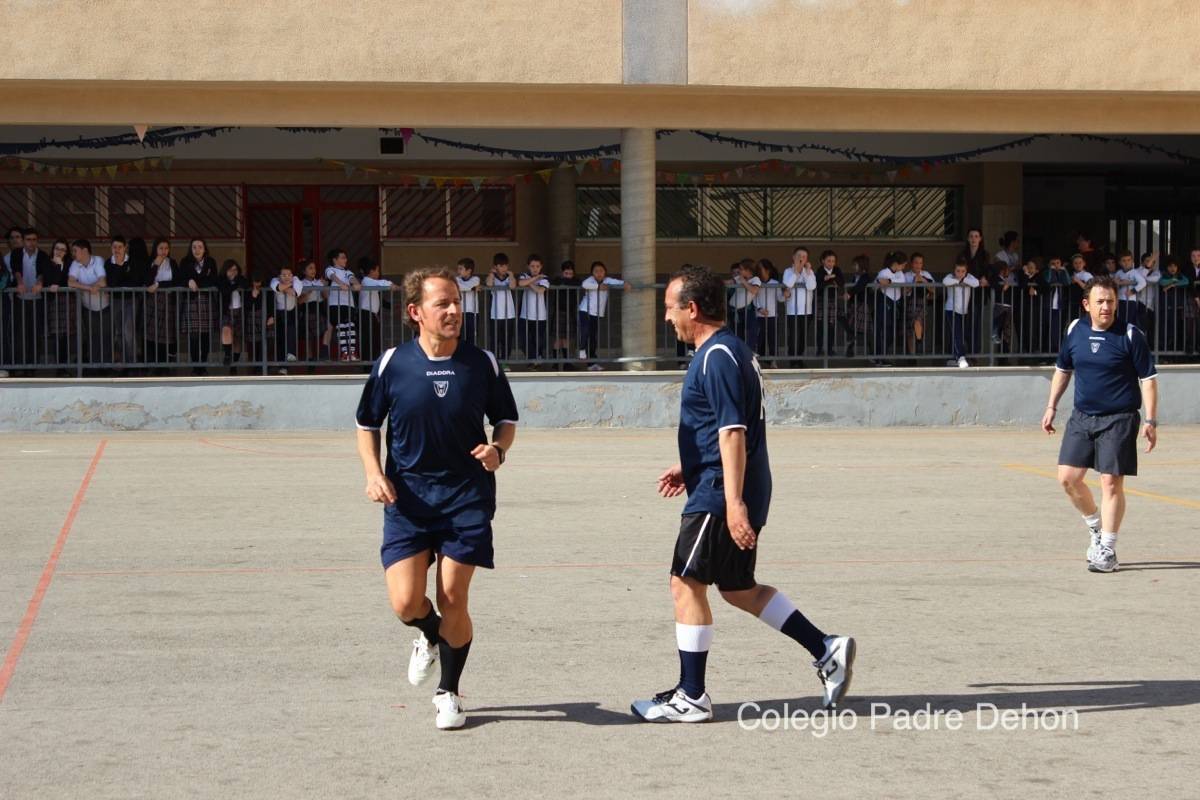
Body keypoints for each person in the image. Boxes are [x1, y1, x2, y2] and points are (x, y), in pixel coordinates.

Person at [631, 265, 855, 723]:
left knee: (685, 582)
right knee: (737, 588)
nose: (667, 318)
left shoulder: (714, 356)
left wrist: (732, 503)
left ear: (692, 309)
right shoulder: (731, 352)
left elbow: (733, 432)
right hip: (723, 480)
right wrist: (688, 462)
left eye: (670, 309)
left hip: (720, 491)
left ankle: (691, 696)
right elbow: (727, 426)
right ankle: (825, 647)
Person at [355, 265, 518, 730]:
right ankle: (427, 636)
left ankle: (449, 692)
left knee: (452, 596)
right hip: (408, 500)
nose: (454, 310)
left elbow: (506, 420)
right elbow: (367, 427)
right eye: (442, 303)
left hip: (465, 497)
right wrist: (372, 473)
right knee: (406, 603)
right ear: (415, 312)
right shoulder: (392, 363)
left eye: (457, 302)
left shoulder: (481, 362)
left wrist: (498, 449)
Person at [1042, 274, 1158, 573]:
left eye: (1111, 301)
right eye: (1100, 302)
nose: (1106, 307)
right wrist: (1051, 406)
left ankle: (1107, 548)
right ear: (1086, 304)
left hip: (1119, 418)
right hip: (1082, 416)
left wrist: (1150, 419)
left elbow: (1148, 380)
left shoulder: (1130, 335)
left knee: (1110, 481)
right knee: (1067, 478)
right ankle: (1095, 528)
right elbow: (1062, 370)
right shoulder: (1074, 330)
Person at [8, 228, 52, 374]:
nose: (31, 243)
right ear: (24, 241)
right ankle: (20, 366)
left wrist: (39, 283)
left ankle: (32, 368)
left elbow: (42, 273)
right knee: (20, 334)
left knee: (35, 334)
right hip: (20, 300)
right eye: (28, 239)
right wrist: (20, 283)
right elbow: (16, 271)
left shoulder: (43, 255)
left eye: (34, 239)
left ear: (37, 241)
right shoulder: (16, 253)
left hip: (37, 300)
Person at [67, 240, 112, 369]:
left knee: (106, 336)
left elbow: (102, 281)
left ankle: (106, 366)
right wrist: (89, 288)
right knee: (92, 336)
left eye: (75, 250)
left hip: (105, 306)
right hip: (88, 307)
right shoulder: (75, 264)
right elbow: (70, 282)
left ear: (85, 250)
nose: (73, 254)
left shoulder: (98, 260)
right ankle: (94, 366)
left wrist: (95, 286)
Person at [180, 238, 219, 374]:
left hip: (206, 302)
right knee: (194, 336)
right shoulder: (185, 262)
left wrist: (196, 283)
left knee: (206, 336)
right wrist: (189, 281)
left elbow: (213, 280)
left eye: (200, 247)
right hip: (191, 302)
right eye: (194, 247)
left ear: (204, 249)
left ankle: (203, 365)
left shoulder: (211, 262)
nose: (197, 250)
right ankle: (196, 366)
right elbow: (181, 278)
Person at [578, 260, 625, 370]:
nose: (599, 273)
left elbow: (616, 282)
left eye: (601, 271)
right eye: (596, 271)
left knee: (593, 338)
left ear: (605, 272)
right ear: (592, 273)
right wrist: (599, 287)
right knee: (585, 331)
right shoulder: (590, 280)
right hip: (585, 310)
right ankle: (582, 349)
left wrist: (624, 284)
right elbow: (584, 284)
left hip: (595, 313)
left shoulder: (607, 280)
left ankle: (592, 363)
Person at [106, 235, 143, 374]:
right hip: (115, 301)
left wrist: (122, 270)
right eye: (114, 247)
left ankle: (132, 364)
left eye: (120, 247)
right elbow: (112, 283)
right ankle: (121, 364)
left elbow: (134, 281)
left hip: (130, 300)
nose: (117, 250)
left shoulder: (133, 262)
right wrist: (120, 267)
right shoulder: (109, 263)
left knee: (129, 331)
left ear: (125, 248)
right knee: (118, 332)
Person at [42, 239, 75, 371]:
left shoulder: (69, 264)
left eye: (62, 250)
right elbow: (50, 281)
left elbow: (66, 282)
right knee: (56, 335)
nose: (59, 252)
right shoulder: (47, 263)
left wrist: (61, 266)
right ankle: (58, 367)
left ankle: (64, 365)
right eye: (57, 249)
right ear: (53, 249)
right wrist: (56, 267)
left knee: (66, 335)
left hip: (66, 301)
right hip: (53, 302)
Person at [943, 256, 980, 368]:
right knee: (957, 334)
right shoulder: (950, 276)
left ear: (966, 270)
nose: (960, 273)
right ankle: (961, 358)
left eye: (963, 271)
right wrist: (958, 280)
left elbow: (976, 283)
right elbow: (945, 281)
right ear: (954, 270)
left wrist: (963, 280)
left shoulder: (968, 277)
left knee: (962, 334)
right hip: (951, 310)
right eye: (958, 271)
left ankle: (955, 357)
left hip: (963, 312)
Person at [781, 247, 815, 366]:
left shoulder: (809, 272)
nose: (801, 259)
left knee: (803, 337)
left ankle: (799, 358)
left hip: (806, 311)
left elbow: (811, 286)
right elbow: (788, 284)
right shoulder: (788, 271)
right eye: (799, 256)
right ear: (793, 257)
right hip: (792, 311)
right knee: (793, 337)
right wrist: (796, 272)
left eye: (804, 257)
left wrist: (806, 271)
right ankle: (792, 360)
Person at [325, 248, 361, 361]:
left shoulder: (347, 271)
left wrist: (356, 284)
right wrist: (340, 284)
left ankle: (352, 352)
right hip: (335, 304)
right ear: (335, 260)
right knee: (341, 327)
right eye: (342, 257)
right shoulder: (330, 269)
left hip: (348, 304)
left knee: (350, 327)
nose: (345, 260)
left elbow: (352, 278)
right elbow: (332, 277)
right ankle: (345, 352)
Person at [358, 258, 396, 363]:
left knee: (374, 339)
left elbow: (380, 300)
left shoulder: (371, 283)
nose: (378, 273)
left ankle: (372, 361)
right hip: (366, 314)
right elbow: (381, 283)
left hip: (371, 314)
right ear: (371, 271)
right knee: (369, 340)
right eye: (377, 270)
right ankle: (367, 363)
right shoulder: (366, 281)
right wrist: (390, 285)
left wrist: (392, 306)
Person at [873, 251, 907, 365]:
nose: (903, 267)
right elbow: (878, 282)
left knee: (892, 331)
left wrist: (890, 281)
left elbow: (902, 281)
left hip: (895, 303)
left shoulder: (900, 273)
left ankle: (883, 354)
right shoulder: (884, 272)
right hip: (885, 301)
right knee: (883, 329)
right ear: (896, 264)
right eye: (902, 265)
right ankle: (879, 357)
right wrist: (883, 282)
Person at [517, 253, 550, 364]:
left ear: (541, 267)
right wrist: (535, 279)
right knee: (523, 339)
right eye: (532, 266)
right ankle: (533, 358)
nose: (535, 269)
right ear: (528, 266)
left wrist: (529, 282)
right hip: (525, 314)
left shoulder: (544, 278)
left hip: (540, 315)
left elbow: (540, 290)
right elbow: (521, 283)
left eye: (537, 266)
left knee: (538, 340)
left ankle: (537, 358)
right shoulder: (524, 275)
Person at [269, 264, 302, 369]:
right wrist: (287, 286)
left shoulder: (296, 280)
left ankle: (291, 355)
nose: (287, 277)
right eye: (284, 275)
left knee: (291, 333)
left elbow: (295, 292)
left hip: (291, 312)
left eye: (289, 274)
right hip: (278, 313)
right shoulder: (274, 280)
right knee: (280, 339)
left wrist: (285, 287)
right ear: (279, 276)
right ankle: (282, 367)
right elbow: (278, 287)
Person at [549, 260, 582, 366]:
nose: (568, 276)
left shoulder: (575, 280)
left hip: (570, 312)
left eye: (570, 274)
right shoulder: (558, 280)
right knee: (558, 338)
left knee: (567, 338)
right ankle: (555, 361)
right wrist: (564, 281)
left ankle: (567, 362)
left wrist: (566, 282)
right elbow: (553, 282)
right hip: (559, 311)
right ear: (562, 272)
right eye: (566, 273)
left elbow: (577, 282)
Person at [486, 252, 517, 361]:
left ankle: (505, 361)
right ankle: (495, 362)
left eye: (505, 265)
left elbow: (513, 286)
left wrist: (511, 275)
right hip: (495, 314)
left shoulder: (509, 277)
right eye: (500, 266)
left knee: (507, 339)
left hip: (509, 314)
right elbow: (489, 284)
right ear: (495, 266)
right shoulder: (492, 277)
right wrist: (491, 273)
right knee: (495, 339)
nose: (504, 268)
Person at [752, 258, 782, 366]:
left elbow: (780, 298)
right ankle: (760, 360)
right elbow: (754, 297)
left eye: (761, 269)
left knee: (772, 339)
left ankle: (773, 360)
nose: (759, 271)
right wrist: (759, 308)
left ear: (768, 270)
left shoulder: (775, 283)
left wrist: (786, 295)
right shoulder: (756, 282)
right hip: (759, 315)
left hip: (772, 315)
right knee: (760, 339)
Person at [1157, 257, 1189, 355]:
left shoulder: (1180, 276)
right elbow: (1162, 282)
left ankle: (1174, 353)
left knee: (1176, 329)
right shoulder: (1163, 275)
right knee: (1164, 328)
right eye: (1170, 266)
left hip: (1177, 307)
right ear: (1167, 267)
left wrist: (1172, 285)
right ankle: (1163, 351)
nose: (1172, 268)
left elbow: (1186, 281)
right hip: (1166, 307)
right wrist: (1173, 281)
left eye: (1174, 266)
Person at [905, 252, 935, 356]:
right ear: (911, 263)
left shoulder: (926, 274)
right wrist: (914, 282)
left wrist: (922, 280)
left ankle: (919, 341)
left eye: (920, 263)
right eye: (916, 263)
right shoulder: (906, 275)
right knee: (910, 330)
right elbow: (903, 292)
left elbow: (933, 290)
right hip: (909, 303)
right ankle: (912, 355)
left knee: (918, 321)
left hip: (922, 302)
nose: (918, 265)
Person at [728, 258, 760, 350]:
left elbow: (754, 290)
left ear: (748, 270)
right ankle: (739, 352)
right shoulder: (739, 278)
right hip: (734, 310)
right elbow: (728, 282)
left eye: (741, 269)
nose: (740, 271)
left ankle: (750, 352)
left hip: (745, 310)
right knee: (737, 333)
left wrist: (743, 282)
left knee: (751, 331)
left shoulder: (755, 279)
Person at [1114, 250, 1146, 328]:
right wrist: (1120, 283)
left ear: (1132, 261)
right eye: (1124, 261)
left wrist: (1133, 291)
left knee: (1129, 321)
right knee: (1119, 320)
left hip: (1130, 301)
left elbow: (1143, 283)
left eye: (1129, 260)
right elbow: (1115, 284)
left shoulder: (1135, 272)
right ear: (1120, 262)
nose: (1126, 263)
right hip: (1120, 300)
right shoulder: (1118, 273)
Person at [456, 257, 480, 346]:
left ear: (469, 270)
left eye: (461, 269)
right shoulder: (456, 279)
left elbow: (472, 284)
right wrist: (472, 288)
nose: (458, 271)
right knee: (458, 336)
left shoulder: (476, 279)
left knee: (471, 336)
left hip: (472, 312)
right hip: (460, 312)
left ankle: (470, 356)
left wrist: (471, 287)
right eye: (458, 268)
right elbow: (458, 286)